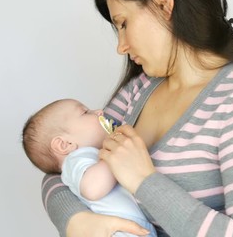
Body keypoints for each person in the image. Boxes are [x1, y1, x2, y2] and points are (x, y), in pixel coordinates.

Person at [41, 0, 233, 236]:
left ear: (163, 4)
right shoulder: (139, 90)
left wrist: (144, 181)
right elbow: (62, 164)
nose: (121, 46)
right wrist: (75, 220)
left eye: (123, 23)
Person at [22, 99, 157, 237]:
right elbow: (92, 188)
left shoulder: (87, 157)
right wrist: (115, 154)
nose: (99, 112)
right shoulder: (74, 160)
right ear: (64, 144)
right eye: (86, 112)